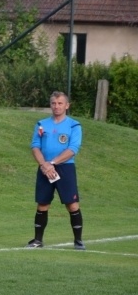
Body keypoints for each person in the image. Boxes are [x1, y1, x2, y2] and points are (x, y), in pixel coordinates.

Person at [27, 91, 85, 250]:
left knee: (72, 205)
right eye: (53, 103)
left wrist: (52, 162)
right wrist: (44, 165)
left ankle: (78, 241)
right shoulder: (41, 124)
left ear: (67, 105)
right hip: (44, 168)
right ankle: (38, 240)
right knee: (42, 204)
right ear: (50, 105)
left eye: (60, 103)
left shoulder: (74, 125)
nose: (56, 106)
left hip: (65, 168)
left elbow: (73, 149)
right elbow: (35, 146)